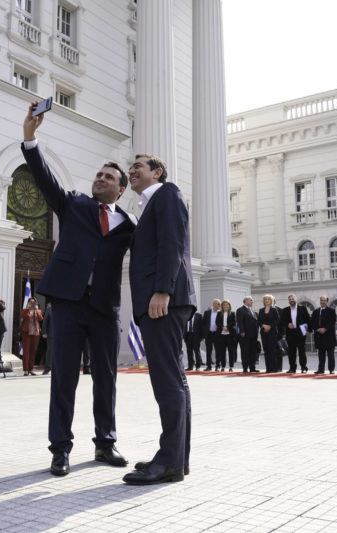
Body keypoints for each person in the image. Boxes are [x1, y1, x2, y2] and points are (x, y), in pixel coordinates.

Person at [23, 105, 136, 477]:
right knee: (64, 378)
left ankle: (105, 443)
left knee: (107, 377)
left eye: (109, 177)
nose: (101, 178)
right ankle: (60, 450)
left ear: (121, 189)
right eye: (99, 174)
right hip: (68, 303)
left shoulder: (129, 223)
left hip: (104, 308)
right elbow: (45, 177)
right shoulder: (73, 203)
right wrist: (30, 138)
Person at [123, 153, 196, 486]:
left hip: (165, 300)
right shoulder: (149, 204)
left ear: (157, 172)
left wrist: (162, 290)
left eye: (138, 166)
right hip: (161, 300)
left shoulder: (167, 193)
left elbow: (172, 243)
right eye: (130, 167)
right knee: (173, 380)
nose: (131, 171)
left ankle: (169, 461)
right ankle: (175, 458)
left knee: (167, 382)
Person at [280, 294, 310, 373]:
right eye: (290, 299)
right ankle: (292, 368)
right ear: (288, 301)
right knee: (291, 352)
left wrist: (309, 330)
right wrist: (288, 324)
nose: (291, 300)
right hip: (290, 333)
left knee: (302, 352)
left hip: (301, 333)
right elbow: (282, 321)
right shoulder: (285, 310)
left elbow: (308, 319)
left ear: (296, 299)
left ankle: (303, 367)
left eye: (292, 299)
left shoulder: (303, 308)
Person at [311, 296, 336, 374]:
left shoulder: (331, 311)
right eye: (321, 300)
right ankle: (321, 370)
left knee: (331, 355)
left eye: (324, 300)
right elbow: (312, 322)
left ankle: (331, 369)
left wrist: (325, 329)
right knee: (321, 355)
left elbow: (332, 322)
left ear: (327, 302)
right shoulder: (315, 311)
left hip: (329, 336)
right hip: (319, 336)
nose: (323, 302)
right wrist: (318, 329)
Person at [20, 297, 43, 376]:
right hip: (26, 332)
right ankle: (25, 370)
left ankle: (31, 369)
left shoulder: (38, 311)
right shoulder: (25, 310)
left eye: (34, 302)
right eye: (31, 302)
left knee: (33, 351)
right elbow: (22, 316)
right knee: (26, 351)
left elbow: (40, 319)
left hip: (35, 333)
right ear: (28, 303)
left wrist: (36, 310)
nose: (32, 304)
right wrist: (28, 308)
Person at [236, 296, 259, 373]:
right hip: (245, 335)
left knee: (253, 351)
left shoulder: (253, 311)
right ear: (245, 301)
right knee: (245, 351)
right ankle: (245, 368)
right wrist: (242, 331)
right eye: (251, 300)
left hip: (253, 335)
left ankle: (252, 368)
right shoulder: (240, 310)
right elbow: (240, 321)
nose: (252, 301)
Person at [258, 294, 280, 373]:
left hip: (272, 332)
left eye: (268, 299)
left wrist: (270, 326)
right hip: (264, 332)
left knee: (272, 350)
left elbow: (277, 320)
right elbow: (259, 321)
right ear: (264, 301)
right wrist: (264, 326)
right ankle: (268, 368)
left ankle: (274, 368)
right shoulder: (261, 310)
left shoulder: (274, 310)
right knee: (266, 350)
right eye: (265, 299)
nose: (267, 300)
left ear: (271, 301)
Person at [215, 299, 236, 371]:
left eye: (227, 305)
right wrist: (222, 327)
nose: (226, 306)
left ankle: (231, 366)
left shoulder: (232, 313)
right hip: (221, 334)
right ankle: (223, 366)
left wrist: (227, 327)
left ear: (229, 306)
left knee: (231, 351)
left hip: (230, 334)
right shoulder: (219, 313)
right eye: (224, 305)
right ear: (222, 306)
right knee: (222, 351)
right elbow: (217, 322)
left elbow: (234, 322)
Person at [202, 299, 221, 371]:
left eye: (220, 304)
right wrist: (203, 334)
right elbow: (203, 323)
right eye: (218, 304)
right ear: (214, 304)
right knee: (208, 350)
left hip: (217, 334)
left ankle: (217, 366)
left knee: (218, 351)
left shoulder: (221, 313)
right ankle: (208, 366)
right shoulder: (207, 313)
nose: (219, 305)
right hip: (209, 334)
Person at [41, 302, 52, 374]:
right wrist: (44, 332)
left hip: (61, 335)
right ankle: (47, 368)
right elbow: (45, 321)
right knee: (50, 352)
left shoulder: (63, 309)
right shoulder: (49, 309)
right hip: (51, 334)